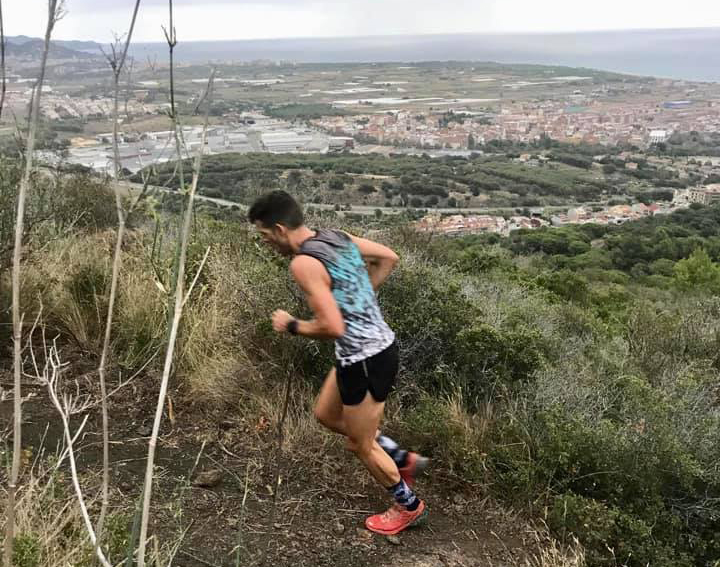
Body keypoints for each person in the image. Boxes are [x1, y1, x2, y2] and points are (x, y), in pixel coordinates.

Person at [248, 190, 428, 535]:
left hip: (366, 359)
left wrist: (292, 325)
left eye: (264, 234)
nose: (265, 241)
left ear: (281, 229)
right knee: (326, 415)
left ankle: (408, 506)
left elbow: (332, 327)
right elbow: (389, 257)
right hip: (367, 352)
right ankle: (402, 459)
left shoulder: (304, 263)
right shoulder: (335, 237)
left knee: (360, 445)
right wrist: (360, 299)